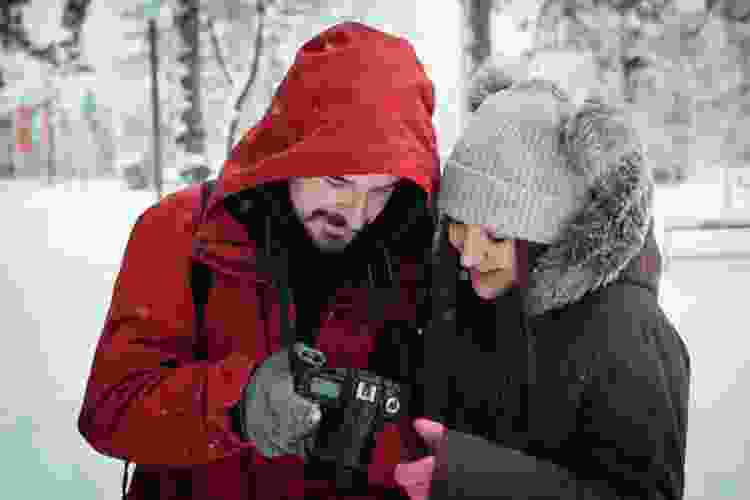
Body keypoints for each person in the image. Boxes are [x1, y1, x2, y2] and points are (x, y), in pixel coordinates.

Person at [78, 22, 439, 500]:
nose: (354, 215)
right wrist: (238, 404)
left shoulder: (412, 256)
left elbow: (432, 427)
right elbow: (110, 410)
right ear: (291, 148)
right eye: (336, 180)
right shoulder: (180, 232)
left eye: (380, 191)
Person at [394, 71, 691, 499]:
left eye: (497, 235)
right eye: (459, 225)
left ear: (546, 235)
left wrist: (471, 477)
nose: (470, 254)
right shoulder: (464, 298)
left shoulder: (627, 330)